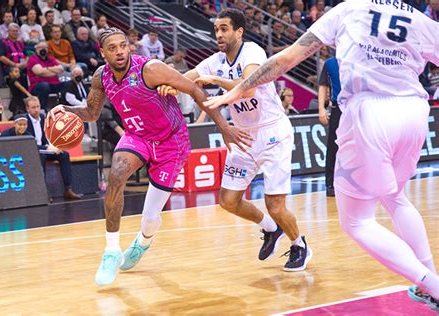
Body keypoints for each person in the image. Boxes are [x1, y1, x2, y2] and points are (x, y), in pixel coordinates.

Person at [204, 1, 439, 310]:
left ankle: (432, 284)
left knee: (357, 222)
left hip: (369, 112)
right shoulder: (419, 19)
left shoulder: (349, 9)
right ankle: (430, 281)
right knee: (394, 197)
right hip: (415, 113)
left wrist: (234, 91)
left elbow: (288, 58)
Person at [47, 27, 251, 286]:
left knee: (151, 216)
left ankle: (143, 242)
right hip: (137, 136)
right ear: (102, 53)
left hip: (171, 141)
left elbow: (196, 91)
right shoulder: (101, 76)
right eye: (113, 48)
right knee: (116, 175)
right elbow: (92, 112)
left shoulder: (151, 69)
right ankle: (111, 251)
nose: (120, 51)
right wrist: (64, 109)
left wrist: (223, 126)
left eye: (123, 45)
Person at [161, 9, 312, 271]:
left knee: (275, 205)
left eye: (224, 29)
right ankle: (270, 228)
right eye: (216, 29)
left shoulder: (253, 52)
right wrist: (170, 85)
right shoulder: (215, 60)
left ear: (239, 31)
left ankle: (299, 244)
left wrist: (216, 80)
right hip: (242, 136)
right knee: (229, 201)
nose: (218, 34)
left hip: (272, 133)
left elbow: (249, 87)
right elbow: (187, 78)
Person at [25, 96, 82, 200]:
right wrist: (46, 148)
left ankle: (68, 189)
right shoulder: (25, 121)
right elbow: (28, 143)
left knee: (64, 154)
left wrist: (55, 146)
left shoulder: (43, 117)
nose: (36, 109)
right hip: (33, 151)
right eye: (33, 107)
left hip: (45, 149)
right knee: (41, 157)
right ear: (27, 109)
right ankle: (44, 193)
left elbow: (50, 136)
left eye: (38, 106)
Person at [317, 56, 340, 197]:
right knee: (333, 146)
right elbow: (323, 86)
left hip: (357, 106)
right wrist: (321, 108)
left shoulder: (359, 58)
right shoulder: (330, 63)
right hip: (338, 108)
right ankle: (330, 184)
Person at [27, 40, 65, 111]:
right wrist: (53, 70)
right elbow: (38, 71)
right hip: (37, 85)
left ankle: (65, 109)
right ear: (36, 49)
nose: (43, 49)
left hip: (54, 83)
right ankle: (43, 109)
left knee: (67, 85)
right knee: (44, 86)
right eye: (40, 47)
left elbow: (61, 69)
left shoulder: (51, 59)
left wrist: (45, 70)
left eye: (45, 47)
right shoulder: (33, 58)